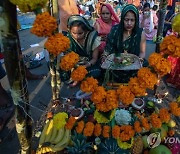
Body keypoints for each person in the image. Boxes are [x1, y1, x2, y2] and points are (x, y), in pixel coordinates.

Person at [102, 4, 146, 83]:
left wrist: (140, 60)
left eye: (132, 20)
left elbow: (142, 53)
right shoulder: (115, 30)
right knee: (101, 70)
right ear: (122, 19)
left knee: (146, 69)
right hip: (116, 64)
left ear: (136, 21)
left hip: (133, 65)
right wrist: (104, 56)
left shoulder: (140, 33)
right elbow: (108, 48)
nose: (129, 23)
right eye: (126, 20)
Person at [66, 15, 101, 86]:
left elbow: (94, 59)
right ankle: (76, 77)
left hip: (89, 64)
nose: (77, 36)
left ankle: (79, 77)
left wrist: (84, 66)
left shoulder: (93, 39)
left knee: (96, 72)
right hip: (75, 65)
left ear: (85, 31)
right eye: (74, 33)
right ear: (70, 31)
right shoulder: (68, 38)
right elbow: (67, 56)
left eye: (80, 33)